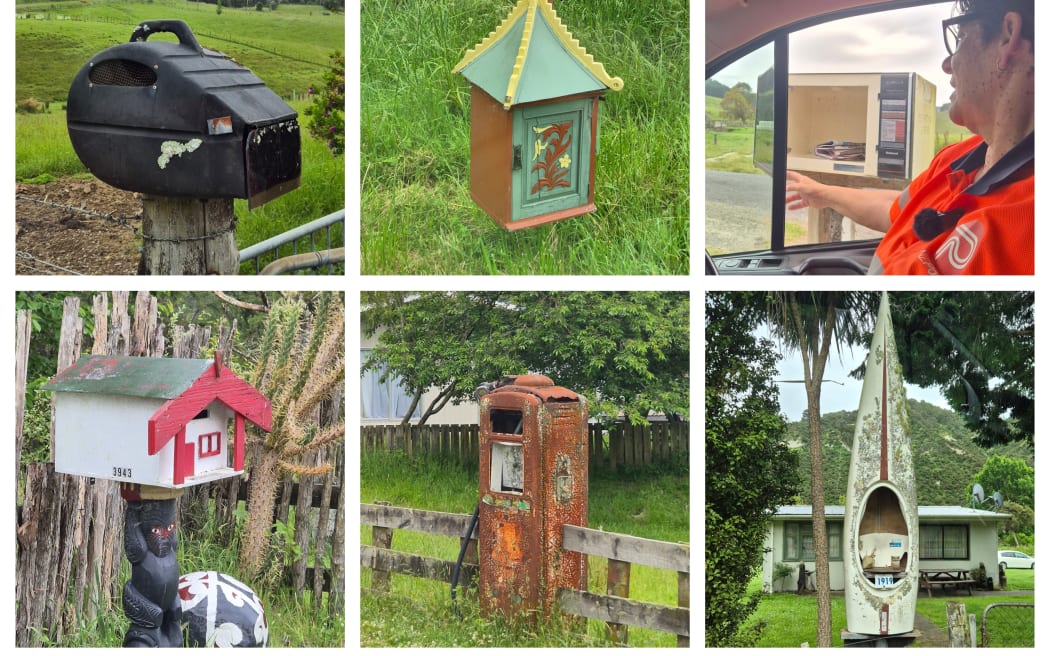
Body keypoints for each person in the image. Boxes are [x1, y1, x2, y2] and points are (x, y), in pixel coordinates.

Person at [784, 0, 1033, 274]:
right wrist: (821, 192)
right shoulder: (957, 158)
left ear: (1008, 35)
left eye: (960, 39)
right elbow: (901, 210)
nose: (947, 64)